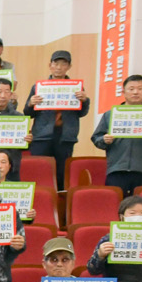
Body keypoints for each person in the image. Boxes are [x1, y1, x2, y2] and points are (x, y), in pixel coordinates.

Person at [23, 49, 89, 189]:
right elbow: (28, 113)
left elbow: (82, 113)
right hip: (42, 135)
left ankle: (59, 200)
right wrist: (30, 103)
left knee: (61, 173)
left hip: (65, 135)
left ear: (69, 66)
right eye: (56, 63)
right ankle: (39, 198)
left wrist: (85, 101)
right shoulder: (39, 87)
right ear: (50, 65)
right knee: (38, 170)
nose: (59, 67)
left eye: (63, 64)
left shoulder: (76, 88)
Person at [92, 73, 142, 195]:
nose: (136, 92)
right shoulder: (111, 114)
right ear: (123, 91)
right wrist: (104, 139)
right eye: (131, 89)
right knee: (115, 202)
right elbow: (96, 138)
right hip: (117, 169)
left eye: (140, 89)